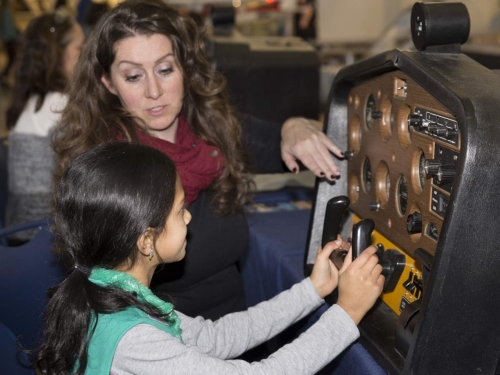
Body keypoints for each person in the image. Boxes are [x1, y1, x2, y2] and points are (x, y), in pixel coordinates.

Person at [52, 0, 344, 320]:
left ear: (186, 69)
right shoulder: (109, 170)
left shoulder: (210, 126)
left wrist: (294, 126)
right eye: (134, 76)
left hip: (237, 328)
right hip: (164, 340)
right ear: (108, 83)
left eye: (165, 69)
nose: (154, 91)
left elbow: (285, 143)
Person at [35, 141, 383, 374]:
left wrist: (313, 289)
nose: (188, 218)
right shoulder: (134, 339)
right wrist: (347, 313)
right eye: (179, 210)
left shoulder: (113, 291)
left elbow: (215, 338)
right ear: (145, 241)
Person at [5, 8, 84, 240]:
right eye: (81, 48)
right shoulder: (60, 106)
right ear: (62, 54)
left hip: (19, 231)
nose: (86, 55)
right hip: (42, 240)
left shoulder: (33, 100)